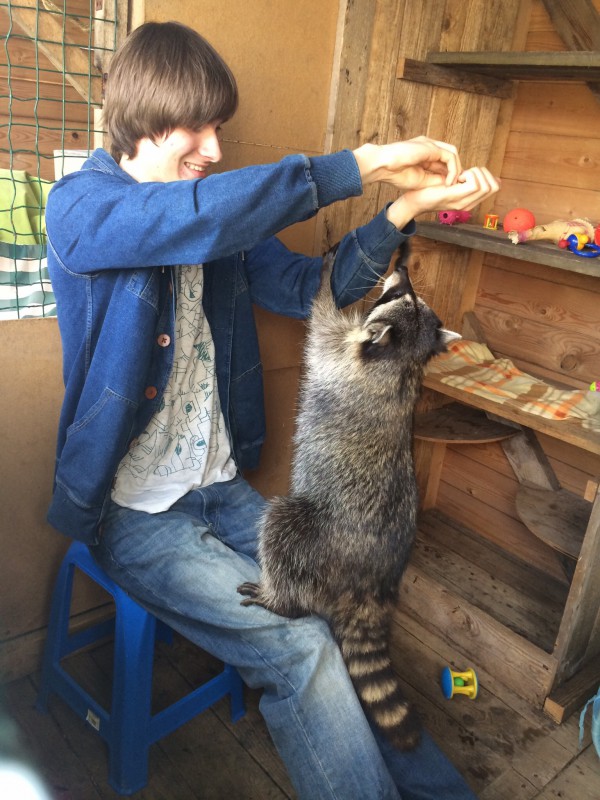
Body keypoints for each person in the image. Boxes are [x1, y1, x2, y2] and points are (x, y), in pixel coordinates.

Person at [45, 20, 498, 800]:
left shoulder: (221, 224)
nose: (215, 148)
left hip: (220, 489)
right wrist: (366, 162)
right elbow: (183, 220)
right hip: (134, 512)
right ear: (144, 116)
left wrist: (401, 211)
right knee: (302, 651)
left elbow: (312, 288)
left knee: (343, 622)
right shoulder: (79, 207)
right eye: (197, 127)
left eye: (219, 128)